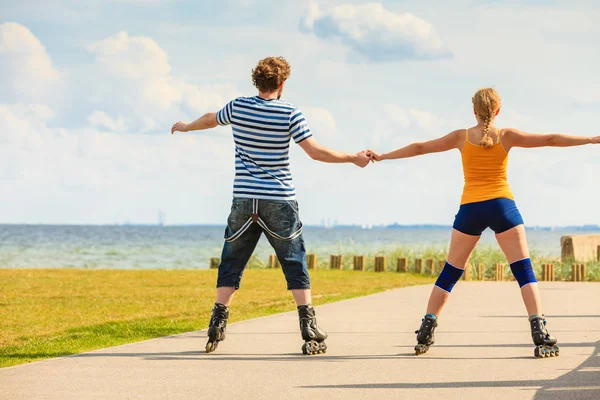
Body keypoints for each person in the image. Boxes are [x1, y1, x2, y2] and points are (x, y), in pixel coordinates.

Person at [367, 88, 599, 358]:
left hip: (471, 208)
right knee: (524, 271)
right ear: (498, 111)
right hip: (503, 206)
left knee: (451, 272)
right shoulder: (507, 136)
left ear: (474, 111)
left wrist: (383, 156)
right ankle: (540, 331)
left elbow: (420, 148)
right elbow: (550, 139)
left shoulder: (460, 137)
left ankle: (426, 329)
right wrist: (592, 139)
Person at [171, 56, 370, 355]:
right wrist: (353, 158)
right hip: (279, 199)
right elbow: (315, 152)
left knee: (232, 261)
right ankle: (308, 327)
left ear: (257, 80)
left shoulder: (238, 107)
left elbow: (211, 118)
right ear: (282, 83)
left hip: (244, 199)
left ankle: (217, 322)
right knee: (294, 260)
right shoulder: (290, 112)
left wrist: (186, 127)